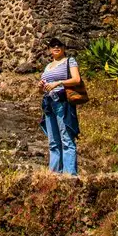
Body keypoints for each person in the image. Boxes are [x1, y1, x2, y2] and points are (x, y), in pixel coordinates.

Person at [39, 37, 80, 176]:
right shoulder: (48, 66)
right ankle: (54, 174)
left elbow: (76, 79)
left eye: (59, 45)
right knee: (53, 141)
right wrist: (41, 87)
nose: (56, 47)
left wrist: (58, 83)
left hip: (62, 102)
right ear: (49, 49)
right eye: (53, 45)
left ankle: (69, 175)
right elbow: (44, 88)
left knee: (66, 138)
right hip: (49, 103)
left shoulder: (69, 61)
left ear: (64, 48)